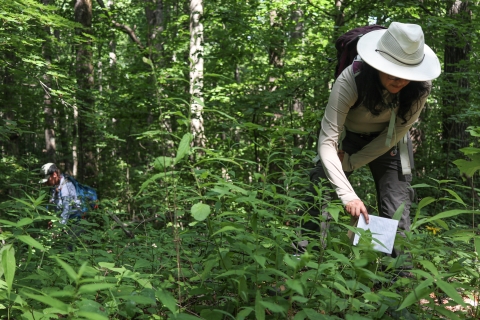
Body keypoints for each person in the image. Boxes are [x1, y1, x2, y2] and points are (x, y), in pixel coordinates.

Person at [301, 22, 441, 258]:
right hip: (346, 137)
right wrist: (349, 195)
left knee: (397, 204)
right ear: (377, 63)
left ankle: (397, 275)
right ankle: (305, 260)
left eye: (407, 73)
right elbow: (327, 141)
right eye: (393, 71)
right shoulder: (351, 79)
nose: (400, 80)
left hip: (390, 140)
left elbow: (396, 133)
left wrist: (352, 163)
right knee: (319, 187)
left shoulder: (421, 87)